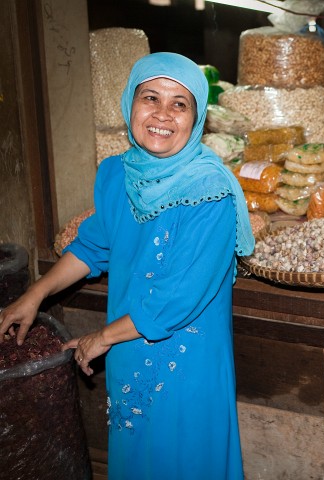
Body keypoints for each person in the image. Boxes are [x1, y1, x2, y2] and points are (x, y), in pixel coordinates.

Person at [0, 52, 254, 479]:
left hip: (186, 362)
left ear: (198, 119)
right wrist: (34, 294)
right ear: (129, 104)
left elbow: (178, 299)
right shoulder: (118, 174)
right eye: (150, 97)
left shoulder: (210, 192)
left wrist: (102, 336)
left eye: (179, 104)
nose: (162, 114)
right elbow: (93, 246)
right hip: (129, 349)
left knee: (185, 461)